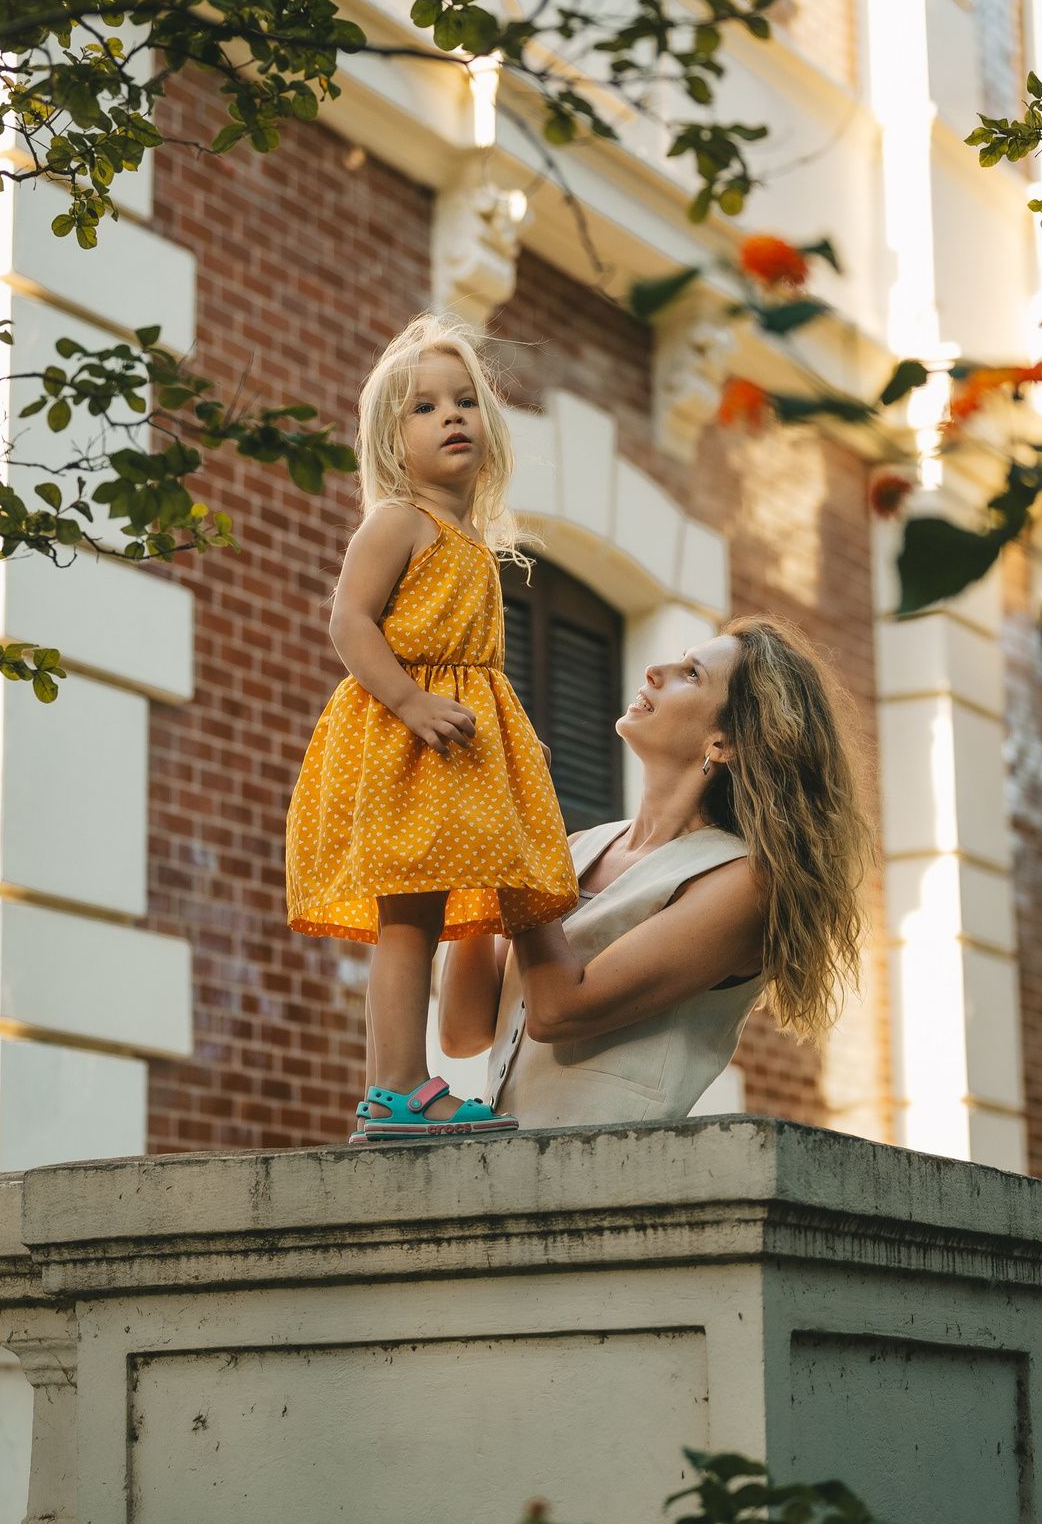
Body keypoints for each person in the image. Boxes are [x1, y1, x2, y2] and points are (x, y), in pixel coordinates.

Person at [285, 314, 578, 1143]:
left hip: (453, 747)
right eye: (423, 407)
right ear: (389, 438)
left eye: (464, 402)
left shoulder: (473, 543)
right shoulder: (398, 523)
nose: (451, 416)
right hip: (403, 742)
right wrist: (411, 704)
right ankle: (398, 1087)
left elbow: (474, 663)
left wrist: (513, 730)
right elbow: (350, 623)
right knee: (407, 915)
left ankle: (401, 1086)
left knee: (427, 909)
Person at [437, 617, 874, 1128]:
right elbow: (462, 1031)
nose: (655, 669)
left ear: (723, 743)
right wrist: (486, 843)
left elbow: (558, 1010)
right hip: (503, 1177)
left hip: (612, 1185)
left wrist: (524, 827)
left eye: (692, 673)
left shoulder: (746, 882)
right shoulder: (576, 849)